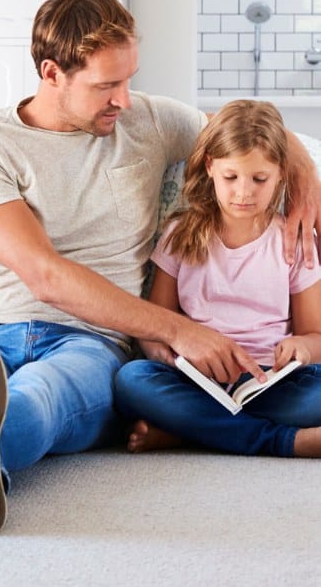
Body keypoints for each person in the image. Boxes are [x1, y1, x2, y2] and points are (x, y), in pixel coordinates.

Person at [0, 0, 321, 536]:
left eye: (128, 79)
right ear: (51, 73)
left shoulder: (148, 121)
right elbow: (43, 274)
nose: (125, 100)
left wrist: (304, 179)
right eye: (106, 85)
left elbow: (246, 133)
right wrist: (183, 333)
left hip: (89, 338)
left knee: (43, 397)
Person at [114, 100, 321, 457]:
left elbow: (316, 336)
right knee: (131, 381)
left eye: (259, 179)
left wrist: (302, 348)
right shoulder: (180, 234)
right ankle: (283, 441)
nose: (244, 192)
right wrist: (168, 354)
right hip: (198, 382)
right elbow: (154, 325)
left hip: (269, 382)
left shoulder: (292, 241)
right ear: (210, 167)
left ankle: (191, 431)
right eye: (231, 177)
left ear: (282, 174)